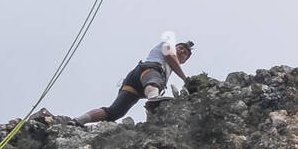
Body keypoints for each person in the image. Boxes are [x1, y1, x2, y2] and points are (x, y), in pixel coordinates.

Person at [35, 37, 194, 126]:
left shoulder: (169, 68)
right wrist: (186, 79)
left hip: (135, 84)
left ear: (185, 60)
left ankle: (79, 120)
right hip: (148, 71)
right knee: (155, 82)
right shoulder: (167, 47)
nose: (182, 51)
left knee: (114, 112)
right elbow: (170, 57)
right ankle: (153, 99)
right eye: (181, 48)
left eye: (185, 53)